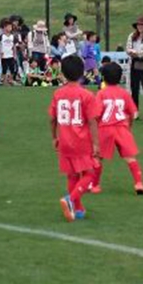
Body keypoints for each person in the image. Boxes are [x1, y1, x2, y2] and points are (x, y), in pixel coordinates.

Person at [49, 55, 100, 222]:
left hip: (64, 140)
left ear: (63, 72)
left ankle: (78, 209)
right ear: (82, 73)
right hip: (81, 141)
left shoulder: (58, 93)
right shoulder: (87, 95)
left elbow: (52, 118)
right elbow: (92, 121)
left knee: (72, 176)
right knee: (90, 174)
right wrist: (95, 144)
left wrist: (54, 137)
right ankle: (70, 199)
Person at [93, 62, 143, 195]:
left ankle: (95, 185)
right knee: (130, 157)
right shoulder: (124, 93)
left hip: (105, 128)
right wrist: (129, 127)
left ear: (103, 77)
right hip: (122, 127)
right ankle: (139, 183)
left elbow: (96, 114)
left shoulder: (101, 93)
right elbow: (132, 112)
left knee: (97, 157)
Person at [0, 19, 17, 85]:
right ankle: (3, 80)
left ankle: (10, 80)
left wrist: (14, 54)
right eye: (8, 27)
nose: (10, 28)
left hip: (10, 55)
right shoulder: (2, 36)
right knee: (4, 68)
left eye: (10, 27)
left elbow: (14, 46)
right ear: (5, 27)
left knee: (12, 68)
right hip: (4, 55)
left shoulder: (12, 36)